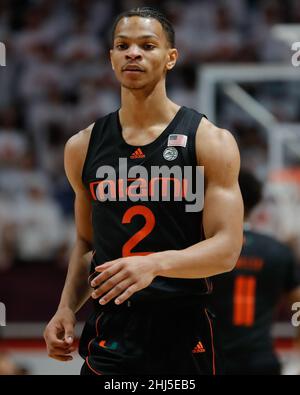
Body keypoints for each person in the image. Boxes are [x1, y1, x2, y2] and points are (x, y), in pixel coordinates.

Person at [43, 7, 243, 375]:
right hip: (113, 326)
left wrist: (154, 264)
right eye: (123, 45)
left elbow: (227, 249)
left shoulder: (208, 141)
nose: (133, 53)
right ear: (112, 57)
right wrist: (67, 307)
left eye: (147, 45)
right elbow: (88, 244)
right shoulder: (82, 146)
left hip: (182, 324)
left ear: (170, 58)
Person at [210, 169, 300, 375]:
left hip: (211, 361)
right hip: (261, 360)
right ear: (257, 201)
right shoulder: (278, 251)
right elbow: (298, 303)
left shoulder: (202, 250)